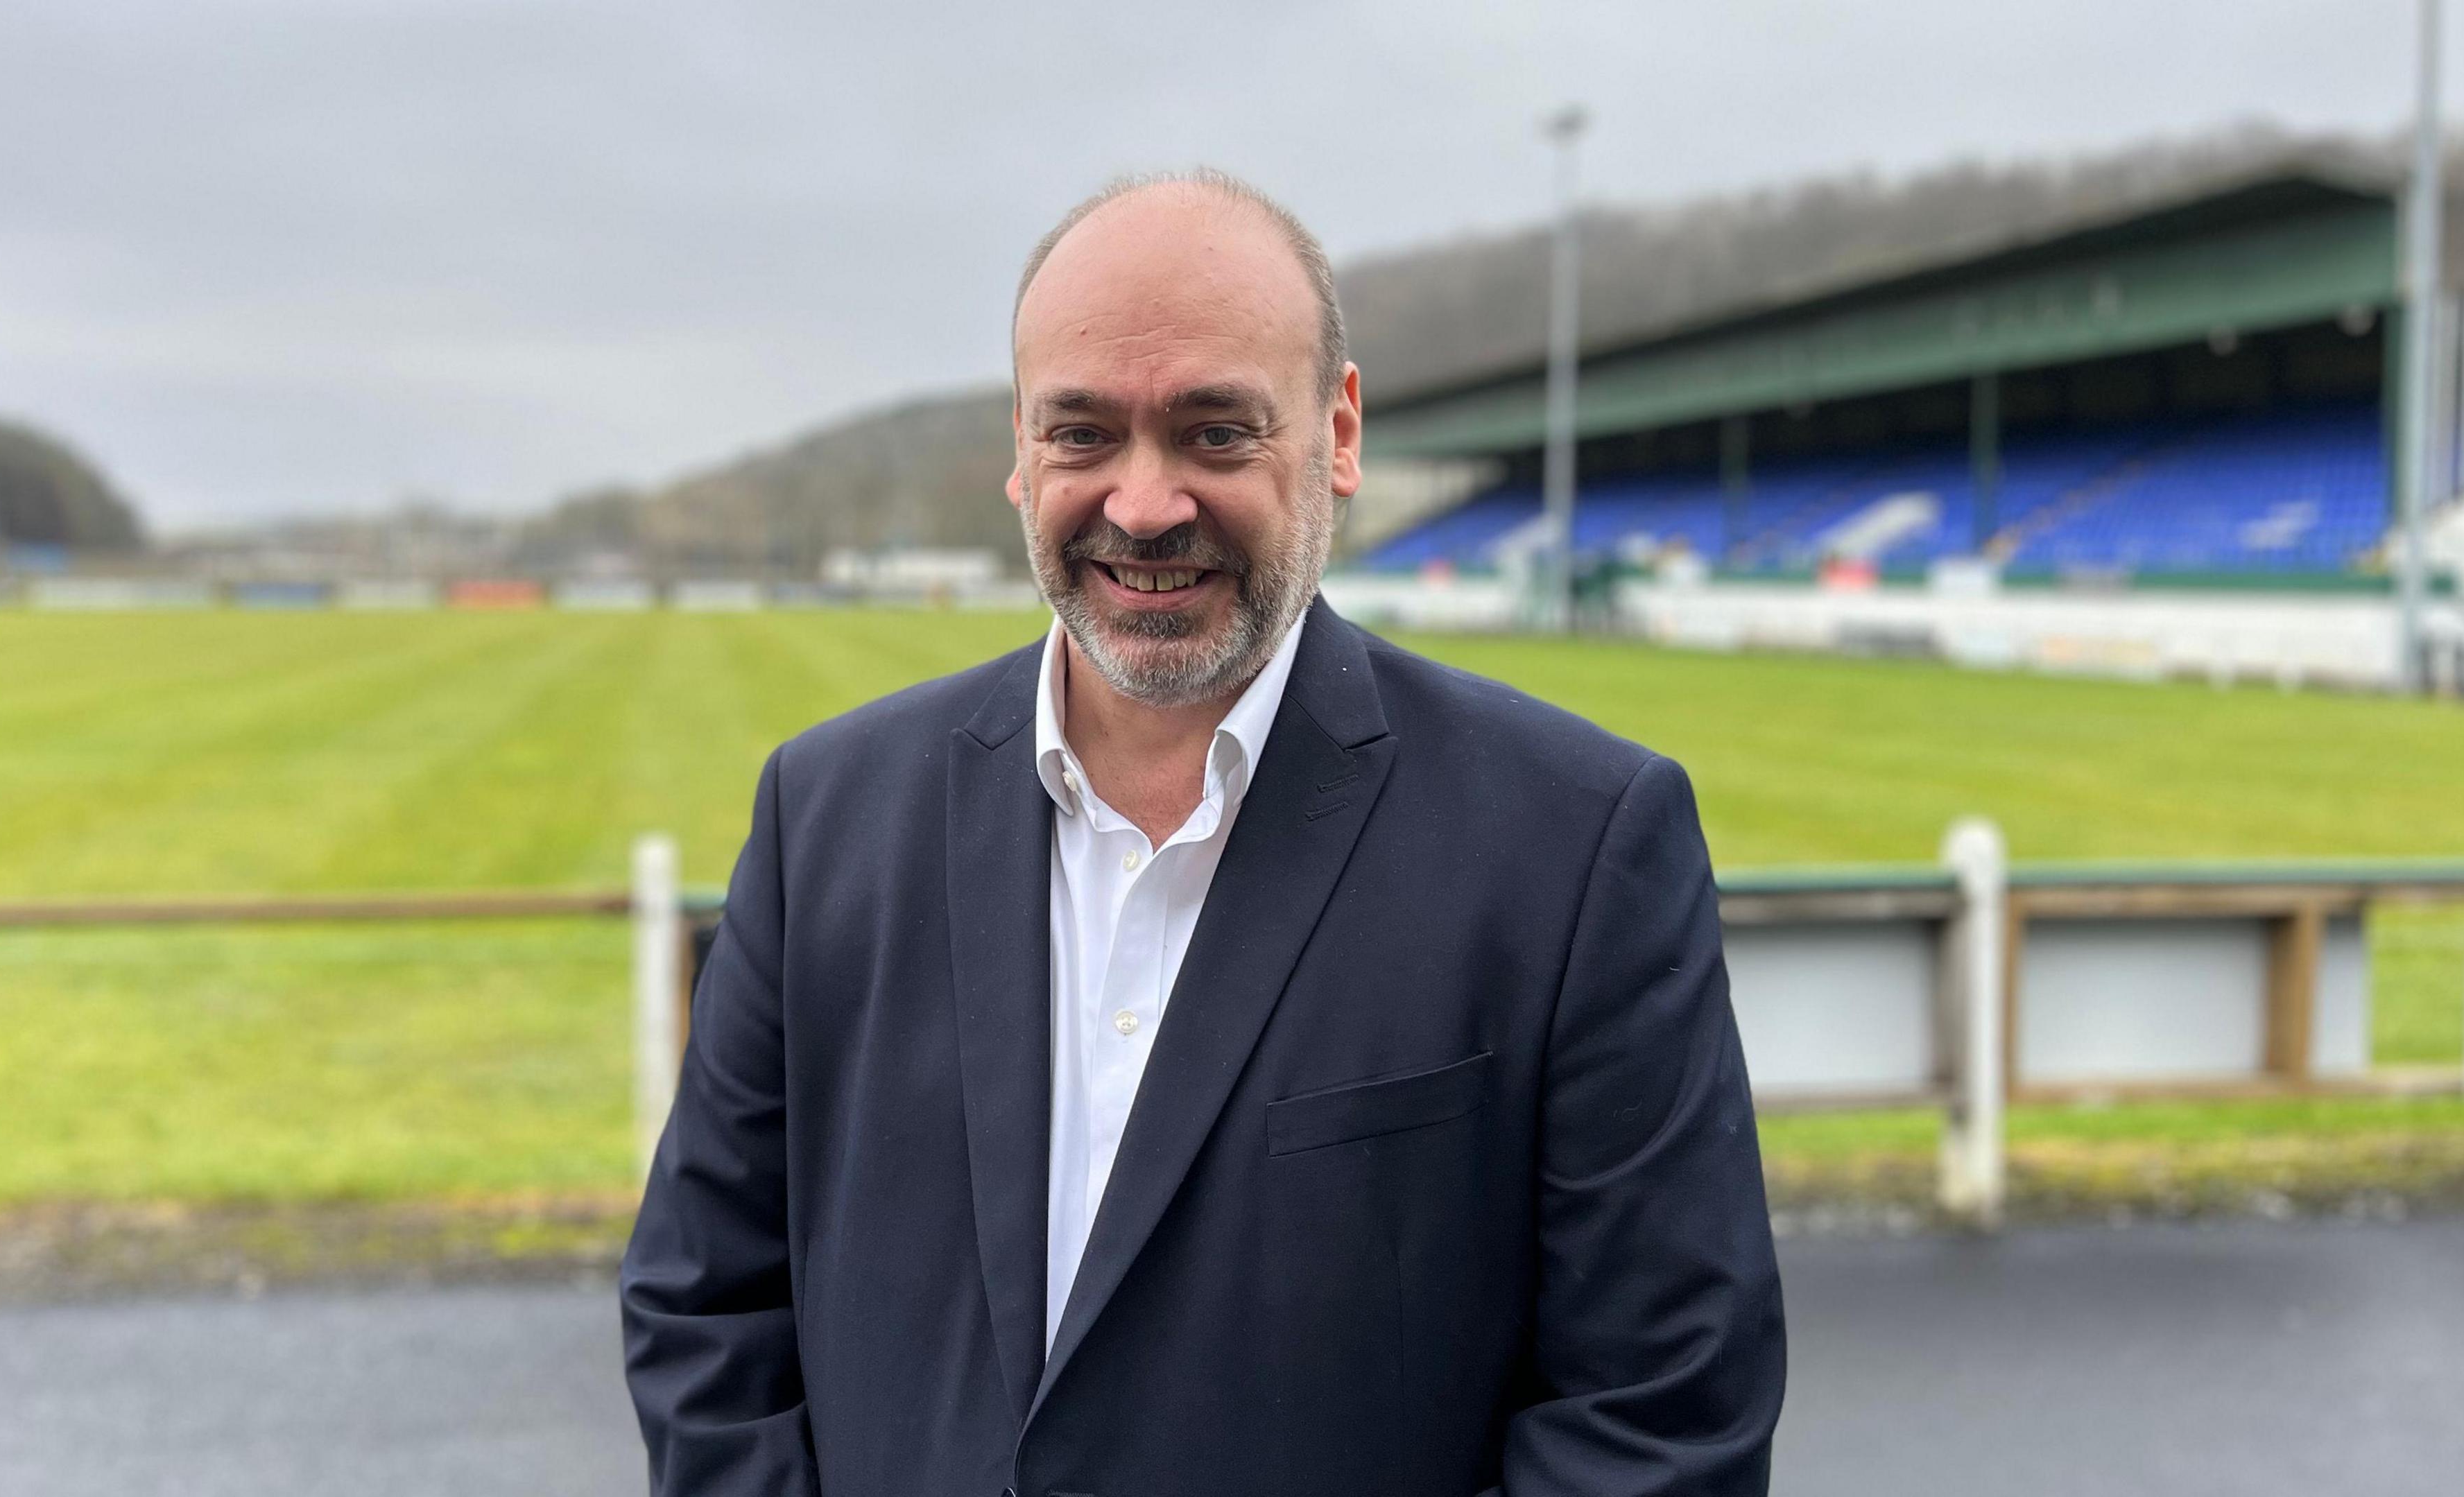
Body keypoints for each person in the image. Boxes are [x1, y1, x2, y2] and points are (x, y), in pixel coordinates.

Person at [621, 169, 1784, 1497]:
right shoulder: (823, 814)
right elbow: (707, 1312)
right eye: (1083, 434)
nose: (1145, 503)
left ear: (1337, 433)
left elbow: (1659, 1418)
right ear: (1020, 449)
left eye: (1215, 433)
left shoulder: (1578, 846)